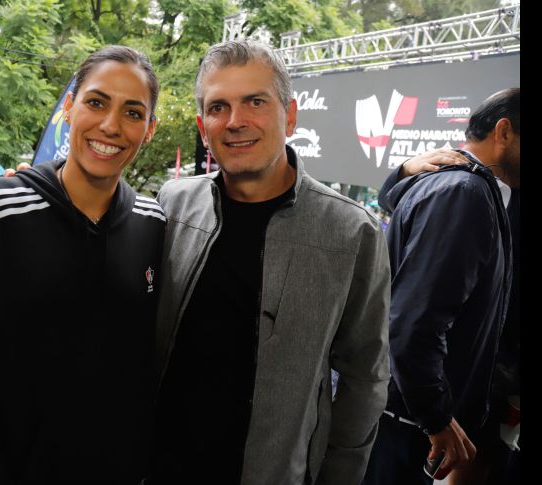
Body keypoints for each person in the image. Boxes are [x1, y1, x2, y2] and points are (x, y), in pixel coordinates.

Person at [149, 40, 390, 485]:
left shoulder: (353, 232)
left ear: (290, 115)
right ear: (204, 127)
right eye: (219, 107)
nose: (236, 121)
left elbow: (365, 376)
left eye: (255, 102)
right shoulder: (173, 204)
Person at [0, 45, 163, 484]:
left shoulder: (153, 223)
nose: (111, 125)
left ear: (149, 129)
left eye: (133, 113)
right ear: (70, 107)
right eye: (96, 102)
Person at [363, 88, 518, 485]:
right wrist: (435, 416)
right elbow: (415, 323)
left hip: (407, 415)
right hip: (404, 420)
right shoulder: (462, 193)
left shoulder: (469, 189)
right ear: (503, 132)